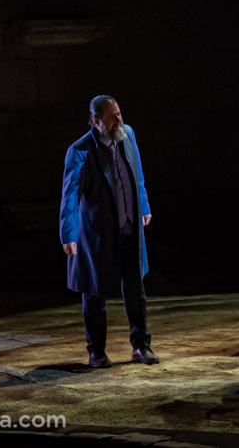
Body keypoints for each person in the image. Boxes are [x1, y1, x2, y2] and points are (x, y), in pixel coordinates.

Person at [59, 95, 159, 368]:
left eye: (119, 113)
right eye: (112, 117)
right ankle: (97, 351)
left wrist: (144, 205)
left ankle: (141, 346)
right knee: (94, 292)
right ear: (96, 122)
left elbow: (136, 175)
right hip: (98, 232)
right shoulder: (80, 150)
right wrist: (69, 233)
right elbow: (69, 195)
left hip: (128, 227)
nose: (119, 120)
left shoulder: (128, 135)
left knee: (135, 286)